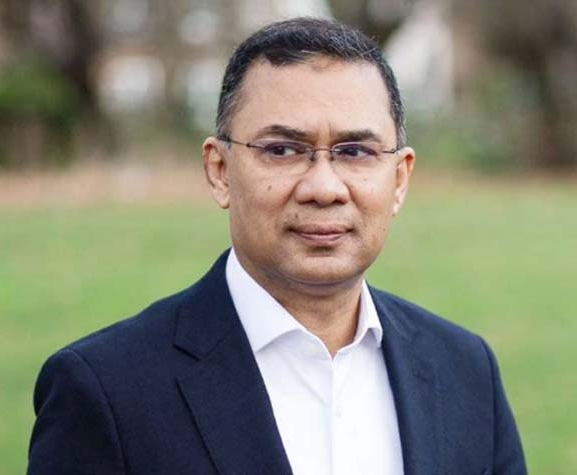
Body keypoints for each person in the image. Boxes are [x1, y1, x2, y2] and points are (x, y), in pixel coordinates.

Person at [28, 17, 526, 475]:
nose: (324, 187)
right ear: (220, 171)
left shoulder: (465, 371)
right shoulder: (107, 391)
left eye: (356, 151)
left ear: (399, 179)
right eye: (283, 150)